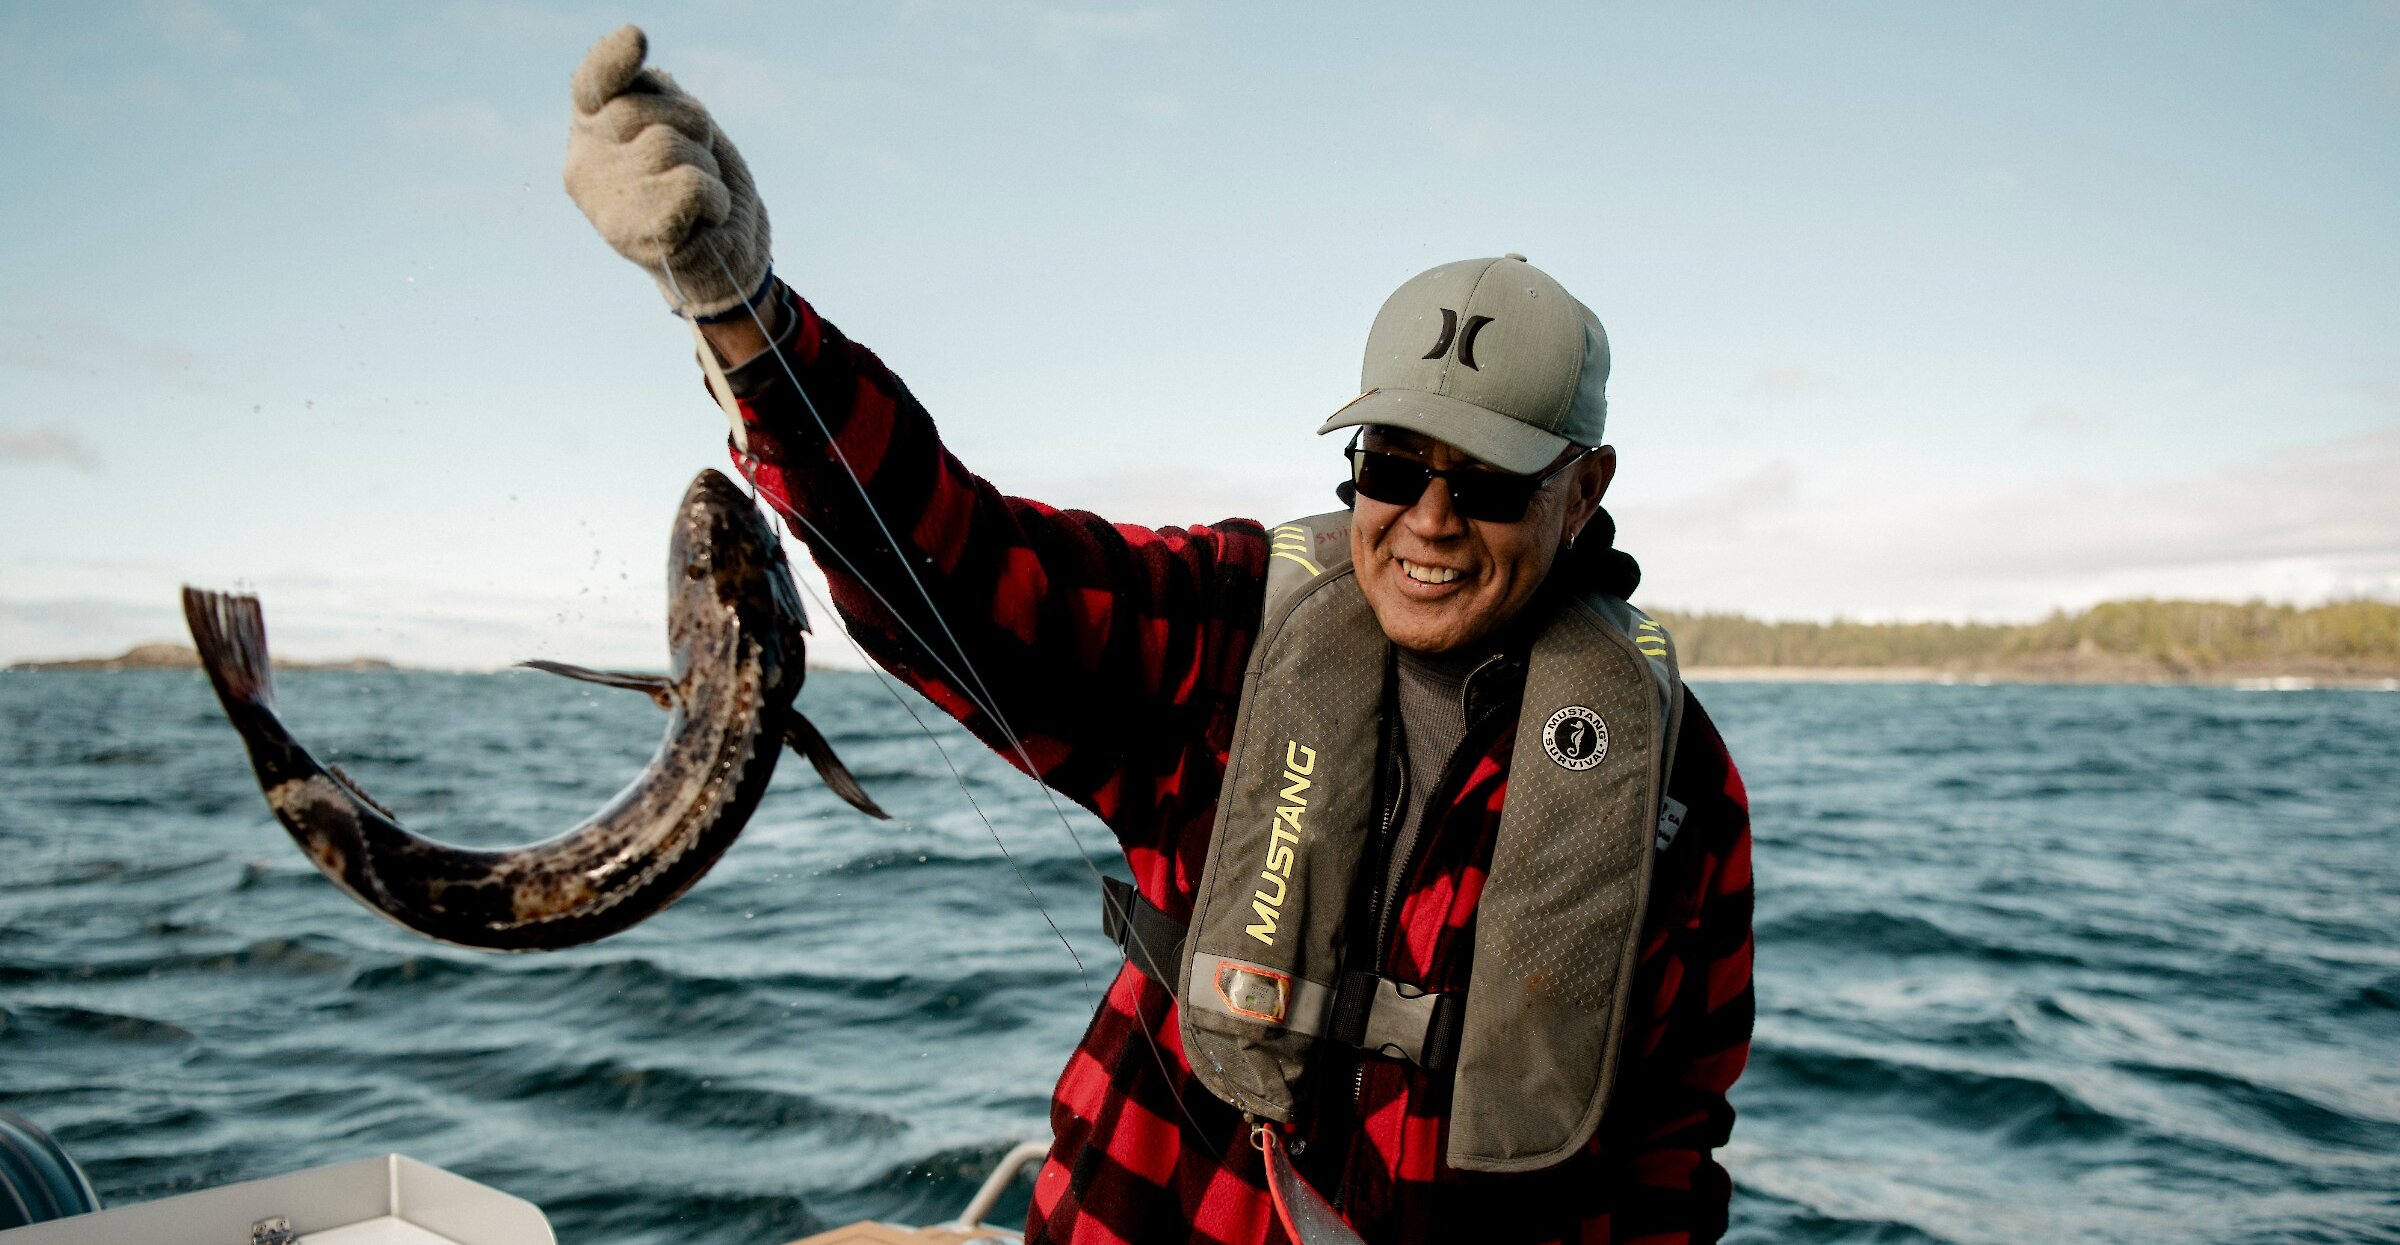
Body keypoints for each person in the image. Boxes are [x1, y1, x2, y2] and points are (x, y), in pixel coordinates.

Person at [564, 27, 1752, 1245]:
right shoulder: (1239, 624)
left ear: (1585, 486)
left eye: (1491, 482)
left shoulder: (1675, 782)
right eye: (1392, 464)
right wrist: (744, 314)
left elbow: (1672, 1136)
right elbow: (960, 559)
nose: (1429, 522)